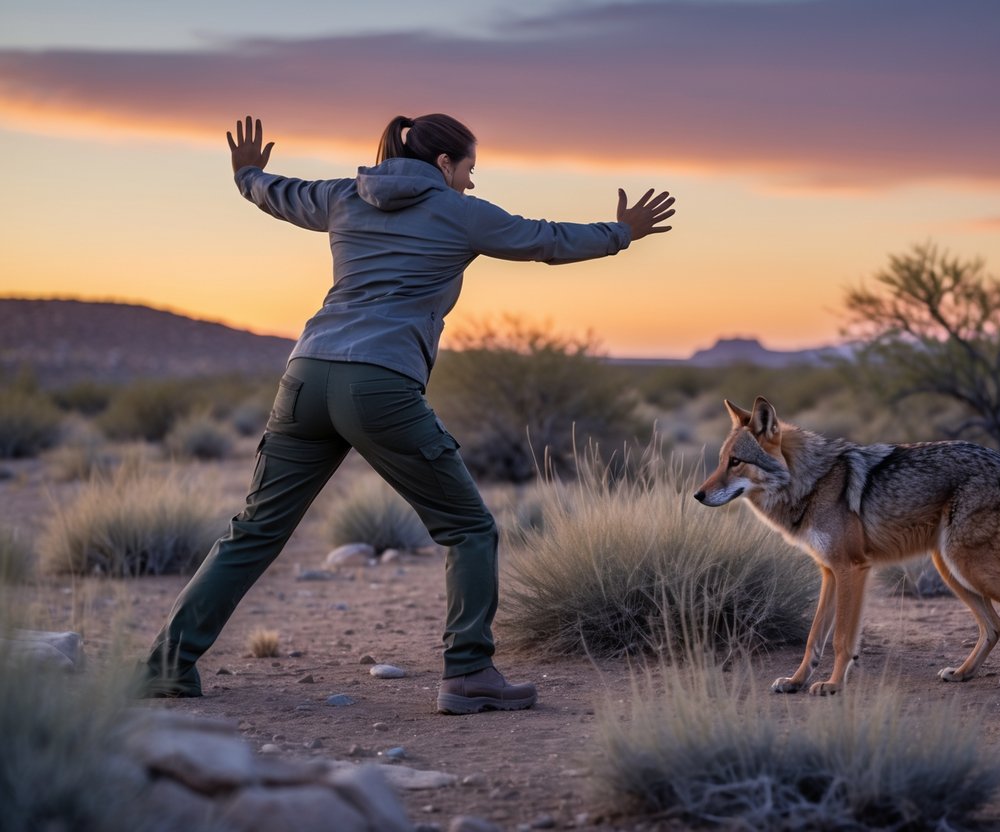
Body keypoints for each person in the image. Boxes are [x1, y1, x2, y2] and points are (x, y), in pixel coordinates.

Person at [139, 114, 675, 714]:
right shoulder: (459, 211)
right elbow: (544, 240)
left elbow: (278, 195)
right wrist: (621, 232)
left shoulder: (344, 194)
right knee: (469, 529)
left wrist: (247, 173)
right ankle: (469, 672)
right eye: (468, 169)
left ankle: (166, 666)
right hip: (380, 384)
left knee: (255, 531)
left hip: (306, 376)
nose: (471, 183)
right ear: (445, 164)